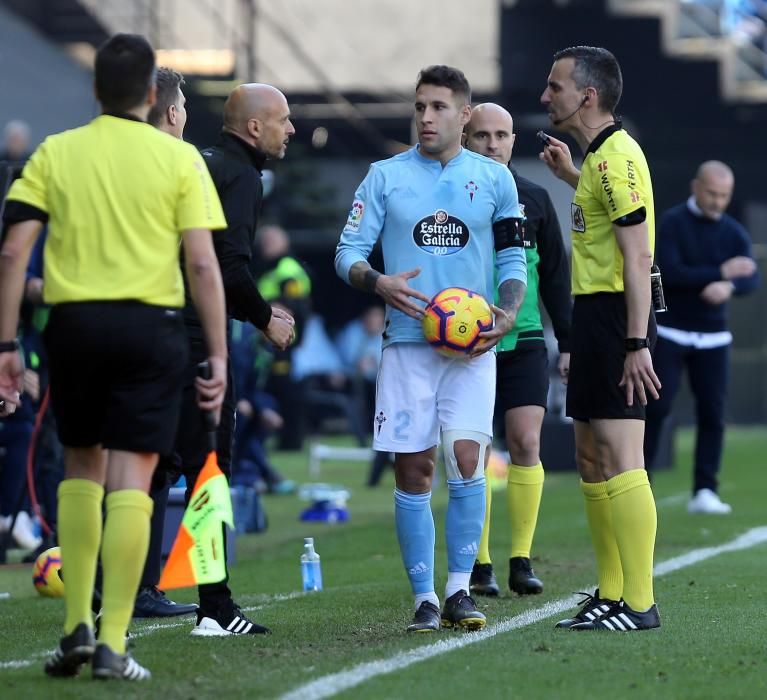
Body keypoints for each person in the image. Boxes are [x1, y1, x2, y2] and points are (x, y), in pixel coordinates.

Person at [0, 33, 228, 680]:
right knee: (133, 478)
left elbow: (13, 252)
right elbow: (203, 264)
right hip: (151, 328)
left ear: (94, 89)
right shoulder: (178, 159)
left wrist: (5, 345)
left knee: (81, 467)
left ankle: (75, 623)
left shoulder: (54, 152)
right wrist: (217, 355)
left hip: (72, 325)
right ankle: (114, 641)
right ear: (154, 95)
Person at [335, 65, 527, 633]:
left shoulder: (495, 180)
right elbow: (347, 252)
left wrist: (509, 311)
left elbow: (513, 260)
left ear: (464, 116)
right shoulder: (384, 176)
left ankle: (460, 589)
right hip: (407, 345)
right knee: (414, 470)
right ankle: (423, 596)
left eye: (439, 107)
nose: (425, 116)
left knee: (468, 462)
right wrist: (379, 282)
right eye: (420, 106)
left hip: (472, 349)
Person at [161, 82, 296, 637]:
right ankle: (214, 607)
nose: (291, 129)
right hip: (198, 343)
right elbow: (227, 267)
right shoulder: (241, 175)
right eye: (284, 119)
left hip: (156, 334)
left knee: (150, 467)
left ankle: (121, 595)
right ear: (255, 127)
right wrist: (267, 318)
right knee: (208, 472)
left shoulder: (199, 162)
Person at [539, 46, 661, 631]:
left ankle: (639, 603)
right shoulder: (597, 162)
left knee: (620, 455)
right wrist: (571, 177)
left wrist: (635, 345)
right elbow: (602, 227)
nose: (547, 96)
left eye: (555, 86)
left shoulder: (616, 160)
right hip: (592, 317)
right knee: (590, 458)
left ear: (587, 95)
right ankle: (611, 592)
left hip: (619, 320)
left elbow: (637, 259)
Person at [463, 103, 571, 598]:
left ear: (512, 140)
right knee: (476, 451)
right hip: (468, 344)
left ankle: (521, 560)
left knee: (526, 442)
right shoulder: (452, 198)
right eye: (482, 135)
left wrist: (567, 342)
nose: (492, 144)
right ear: (465, 138)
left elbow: (554, 276)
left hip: (525, 341)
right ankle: (479, 563)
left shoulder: (536, 200)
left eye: (501, 135)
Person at [115, 66, 197, 619]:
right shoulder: (181, 163)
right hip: (166, 330)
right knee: (191, 460)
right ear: (171, 112)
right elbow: (205, 266)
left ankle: (110, 585)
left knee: (115, 462)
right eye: (185, 104)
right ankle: (209, 593)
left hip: (95, 327)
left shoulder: (105, 163)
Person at [644, 161, 759, 514]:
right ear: (696, 187)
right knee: (658, 407)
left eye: (724, 196)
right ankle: (639, 483)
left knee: (713, 412)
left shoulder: (734, 232)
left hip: (714, 337)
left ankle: (705, 490)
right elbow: (670, 273)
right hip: (672, 331)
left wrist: (729, 285)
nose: (717, 202)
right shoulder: (674, 223)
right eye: (712, 193)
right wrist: (721, 272)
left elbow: (750, 277)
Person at [255, 224, 312, 451]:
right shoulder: (268, 268)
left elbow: (291, 306)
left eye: (272, 241)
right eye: (264, 241)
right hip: (269, 336)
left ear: (285, 244)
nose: (265, 245)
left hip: (284, 338)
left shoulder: (287, 269)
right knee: (273, 387)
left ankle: (292, 440)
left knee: (286, 390)